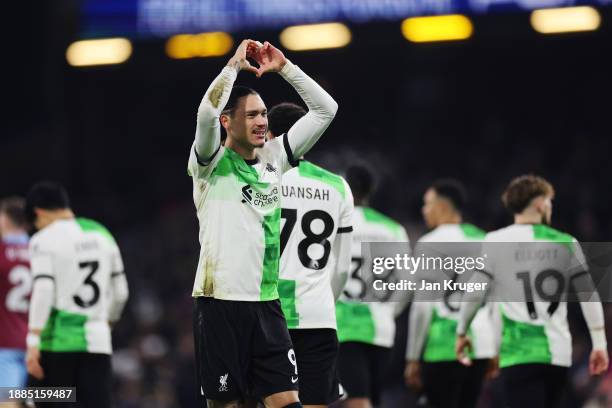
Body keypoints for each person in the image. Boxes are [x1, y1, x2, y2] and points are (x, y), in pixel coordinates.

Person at [188, 40, 338, 408]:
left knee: (288, 402)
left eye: (264, 115)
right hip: (220, 304)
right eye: (252, 115)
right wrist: (232, 67)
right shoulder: (209, 165)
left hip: (268, 307)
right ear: (229, 121)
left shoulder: (275, 158)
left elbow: (325, 110)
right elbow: (206, 113)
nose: (262, 122)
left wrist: (286, 68)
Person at [456, 174, 609, 408]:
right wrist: (599, 343)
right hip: (557, 354)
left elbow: (475, 291)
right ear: (539, 203)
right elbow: (588, 294)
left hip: (518, 352)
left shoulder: (496, 241)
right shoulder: (566, 242)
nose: (550, 207)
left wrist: (462, 330)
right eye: (549, 202)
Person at [267, 102, 354, 408]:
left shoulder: (260, 177)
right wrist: (321, 297)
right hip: (317, 314)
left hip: (268, 314)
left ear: (269, 134)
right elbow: (342, 268)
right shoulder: (338, 186)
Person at [24, 181, 129, 408]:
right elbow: (121, 293)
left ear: (38, 213)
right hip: (98, 343)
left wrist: (33, 339)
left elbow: (43, 289)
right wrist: (106, 323)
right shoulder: (102, 233)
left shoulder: (43, 239)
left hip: (58, 344)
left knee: (36, 400)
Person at [404, 180, 497, 408]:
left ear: (443, 207)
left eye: (428, 204)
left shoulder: (429, 244)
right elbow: (495, 302)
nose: (424, 210)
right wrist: (495, 348)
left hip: (442, 346)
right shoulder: (485, 239)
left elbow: (422, 307)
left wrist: (413, 358)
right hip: (480, 347)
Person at [335, 165, 410, 408]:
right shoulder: (394, 229)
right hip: (382, 329)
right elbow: (406, 285)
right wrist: (388, 312)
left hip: (344, 326)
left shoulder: (335, 222)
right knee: (370, 398)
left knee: (356, 400)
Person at [0, 197, 31, 406]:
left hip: (6, 343)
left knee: (7, 400)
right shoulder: (44, 252)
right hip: (42, 343)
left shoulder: (2, 253)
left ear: (4, 220)